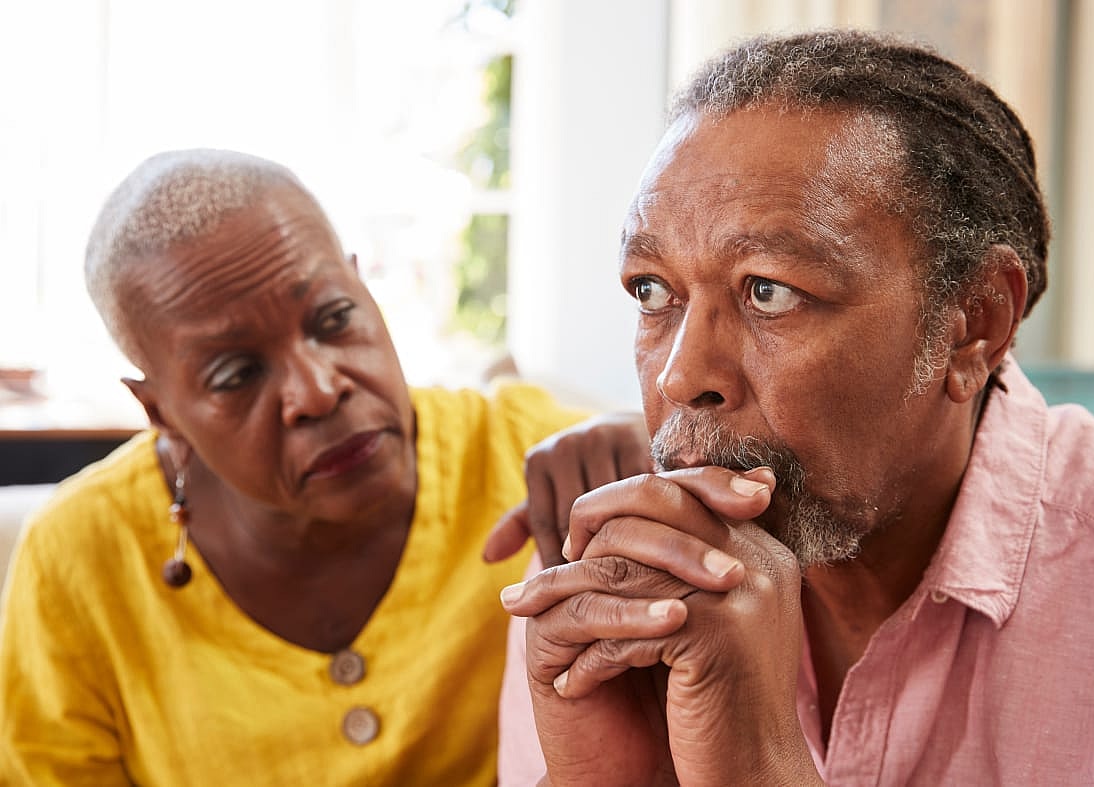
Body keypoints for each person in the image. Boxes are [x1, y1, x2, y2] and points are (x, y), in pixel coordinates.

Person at [496, 29, 1094, 784]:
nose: (681, 377)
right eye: (653, 291)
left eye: (769, 291)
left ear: (975, 324)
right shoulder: (617, 585)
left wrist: (756, 768)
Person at [0, 148, 650, 785]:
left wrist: (662, 453)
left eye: (334, 318)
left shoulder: (529, 456)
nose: (317, 390)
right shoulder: (77, 558)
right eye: (237, 373)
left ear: (364, 287)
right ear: (160, 410)